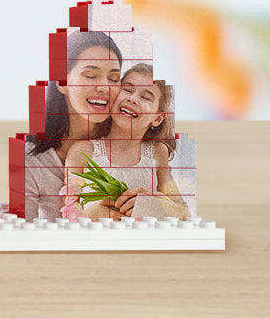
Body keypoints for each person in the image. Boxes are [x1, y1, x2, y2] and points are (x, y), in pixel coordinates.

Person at [62, 63, 189, 221]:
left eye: (146, 97)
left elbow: (183, 213)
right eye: (127, 90)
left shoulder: (157, 152)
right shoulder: (83, 151)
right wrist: (91, 215)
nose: (133, 98)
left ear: (157, 118)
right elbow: (68, 211)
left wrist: (157, 207)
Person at [24, 31, 123, 220]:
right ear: (62, 83)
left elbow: (179, 209)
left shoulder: (131, 144)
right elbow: (21, 240)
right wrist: (90, 217)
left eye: (113, 79)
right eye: (90, 75)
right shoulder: (33, 160)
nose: (105, 87)